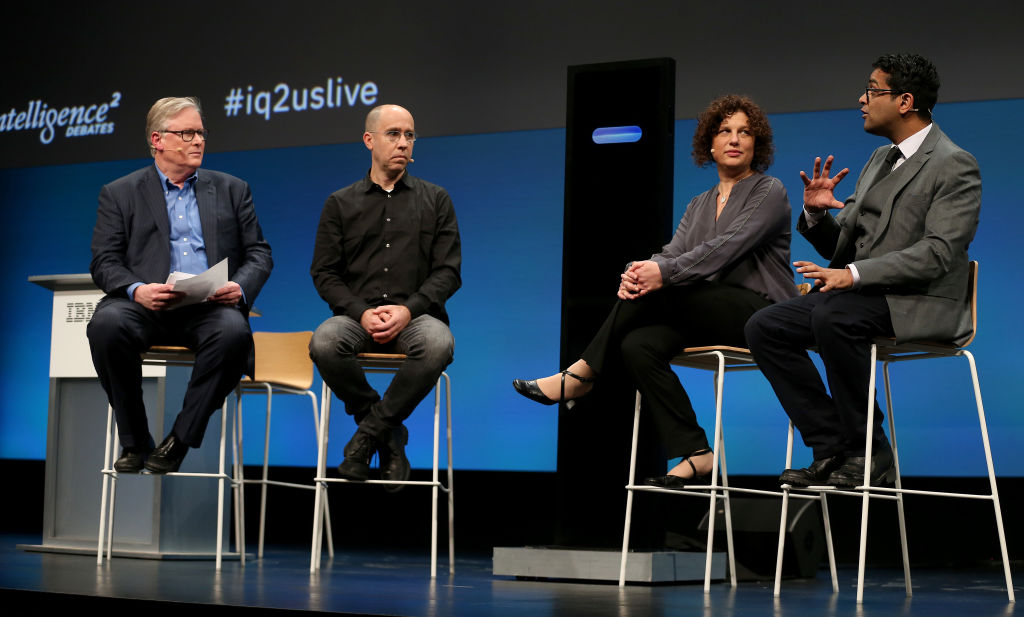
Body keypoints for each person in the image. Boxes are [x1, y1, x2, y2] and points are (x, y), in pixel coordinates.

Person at [513, 95, 795, 487]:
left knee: (660, 287)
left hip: (760, 313)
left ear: (756, 144)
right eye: (725, 131)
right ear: (709, 145)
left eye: (744, 132)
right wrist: (637, 271)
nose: (734, 139)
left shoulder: (769, 191)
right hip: (705, 312)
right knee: (637, 345)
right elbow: (672, 254)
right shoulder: (699, 204)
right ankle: (697, 453)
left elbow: (723, 250)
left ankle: (581, 373)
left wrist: (658, 273)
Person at [744, 54, 981, 488]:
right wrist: (817, 217)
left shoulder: (953, 164)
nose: (862, 99)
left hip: (918, 300)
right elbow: (848, 246)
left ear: (905, 101)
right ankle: (833, 445)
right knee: (766, 326)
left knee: (832, 314)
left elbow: (940, 253)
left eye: (873, 90)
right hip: (864, 297)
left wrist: (852, 275)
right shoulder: (879, 159)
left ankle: (868, 449)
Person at [87, 96, 273, 474]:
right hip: (146, 305)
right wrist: (137, 289)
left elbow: (259, 254)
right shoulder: (121, 192)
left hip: (208, 307)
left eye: (201, 133)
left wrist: (238, 287)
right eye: (187, 133)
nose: (198, 141)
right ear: (157, 140)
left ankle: (180, 439)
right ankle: (135, 440)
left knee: (233, 332)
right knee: (106, 325)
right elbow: (104, 261)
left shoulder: (232, 189)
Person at [309, 104, 461, 490]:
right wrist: (360, 313)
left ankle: (367, 435)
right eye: (393, 134)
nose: (403, 143)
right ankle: (390, 436)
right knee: (325, 341)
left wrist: (409, 311)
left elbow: (448, 272)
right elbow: (324, 273)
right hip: (357, 317)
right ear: (369, 140)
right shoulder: (340, 203)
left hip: (416, 317)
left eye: (409, 135)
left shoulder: (436, 199)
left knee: (438, 342)